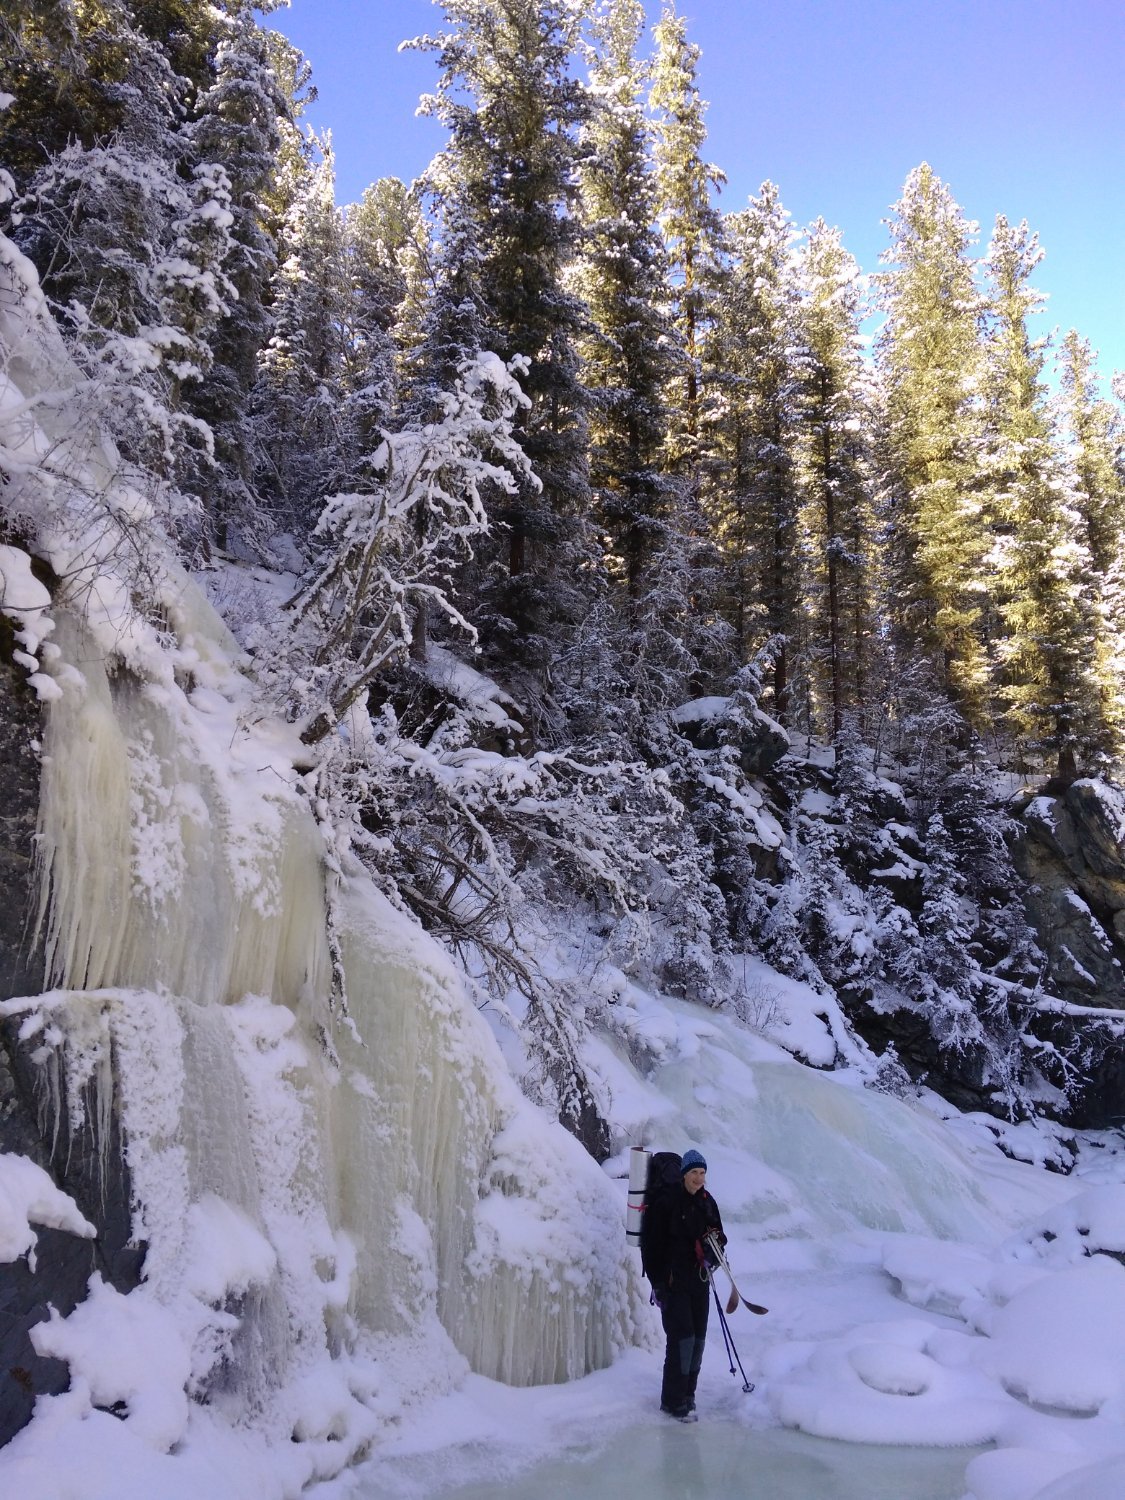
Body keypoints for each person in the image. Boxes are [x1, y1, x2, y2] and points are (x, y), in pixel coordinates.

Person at [640, 1148, 726, 1422]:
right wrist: (658, 1283)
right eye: (694, 1173)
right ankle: (673, 1401)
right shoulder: (667, 1203)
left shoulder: (707, 1202)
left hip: (699, 1281)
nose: (699, 1178)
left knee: (698, 1340)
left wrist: (714, 1250)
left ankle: (689, 1396)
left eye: (702, 1173)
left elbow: (720, 1236)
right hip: (673, 1282)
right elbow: (651, 1246)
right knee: (683, 1339)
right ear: (684, 1174)